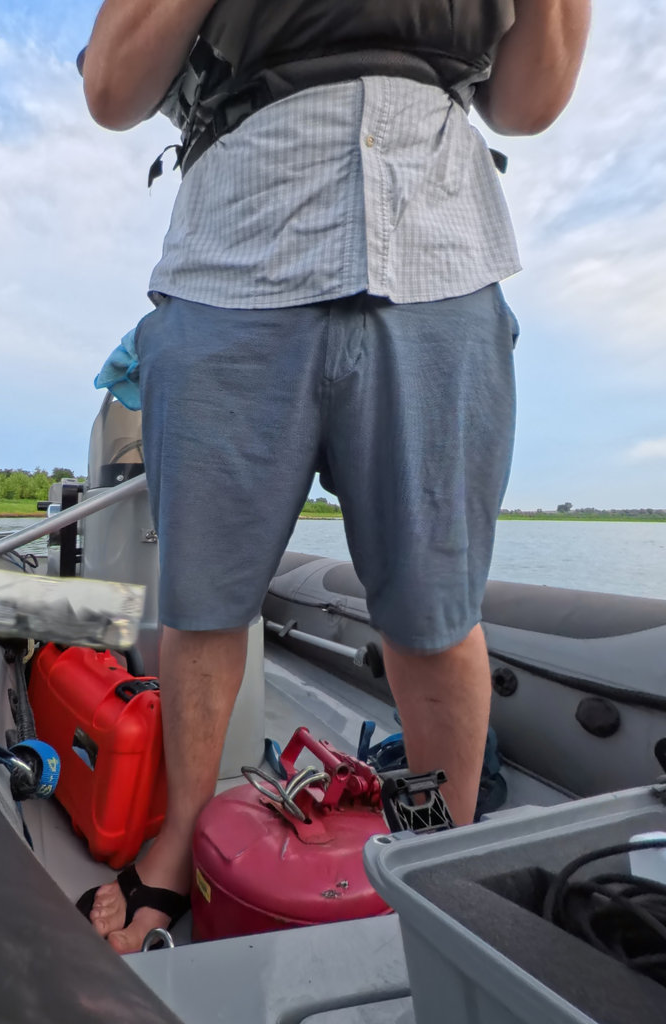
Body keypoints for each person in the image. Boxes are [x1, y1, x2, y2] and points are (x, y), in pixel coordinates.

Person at [78, 0, 591, 954]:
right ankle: (182, 834)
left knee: (436, 612)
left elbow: (527, 102)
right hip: (234, 266)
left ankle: (444, 867)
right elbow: (113, 89)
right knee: (204, 602)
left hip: (436, 260)